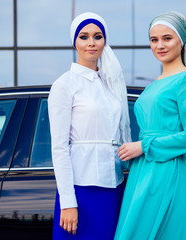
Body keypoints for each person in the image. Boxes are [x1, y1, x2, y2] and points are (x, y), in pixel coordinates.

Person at [114, 11, 186, 240]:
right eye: (154, 40)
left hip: (166, 171)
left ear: (181, 41)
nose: (160, 45)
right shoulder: (154, 84)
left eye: (167, 38)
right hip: (141, 170)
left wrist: (144, 146)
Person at [48, 12, 131, 239]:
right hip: (81, 189)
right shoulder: (64, 85)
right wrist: (67, 202)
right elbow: (59, 147)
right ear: (74, 41)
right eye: (84, 37)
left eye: (98, 36)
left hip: (114, 185)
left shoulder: (111, 83)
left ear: (105, 41)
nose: (91, 43)